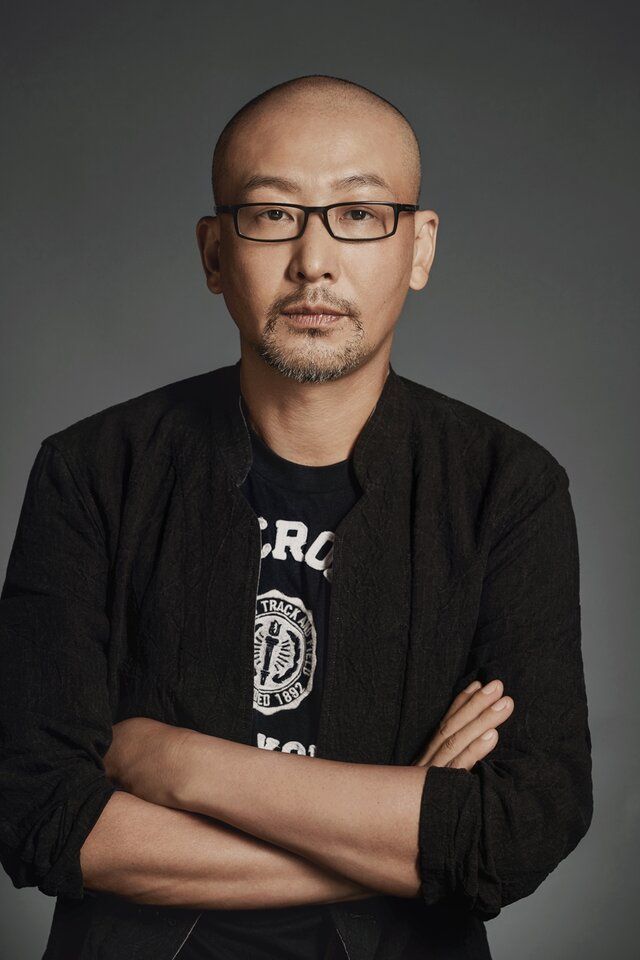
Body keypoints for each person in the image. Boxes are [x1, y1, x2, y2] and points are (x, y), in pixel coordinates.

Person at [0, 74, 593, 960]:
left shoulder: (506, 487)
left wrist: (177, 764)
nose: (314, 260)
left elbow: (520, 825)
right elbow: (39, 814)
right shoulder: (93, 472)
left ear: (420, 247)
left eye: (359, 215)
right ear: (213, 253)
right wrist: (406, 839)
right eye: (272, 214)